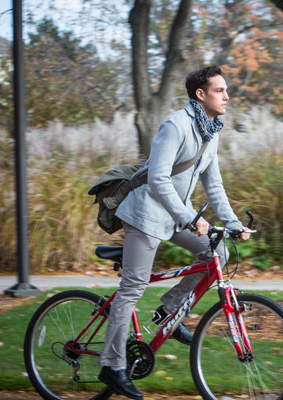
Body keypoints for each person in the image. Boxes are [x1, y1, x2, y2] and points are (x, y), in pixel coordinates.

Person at [97, 65, 250, 400]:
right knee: (133, 287)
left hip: (174, 216)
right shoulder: (175, 125)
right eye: (220, 90)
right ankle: (112, 364)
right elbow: (158, 179)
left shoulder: (210, 132)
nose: (227, 96)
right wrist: (191, 217)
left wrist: (234, 222)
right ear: (201, 94)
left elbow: (214, 184)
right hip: (146, 215)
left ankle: (169, 309)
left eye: (226, 90)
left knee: (217, 252)